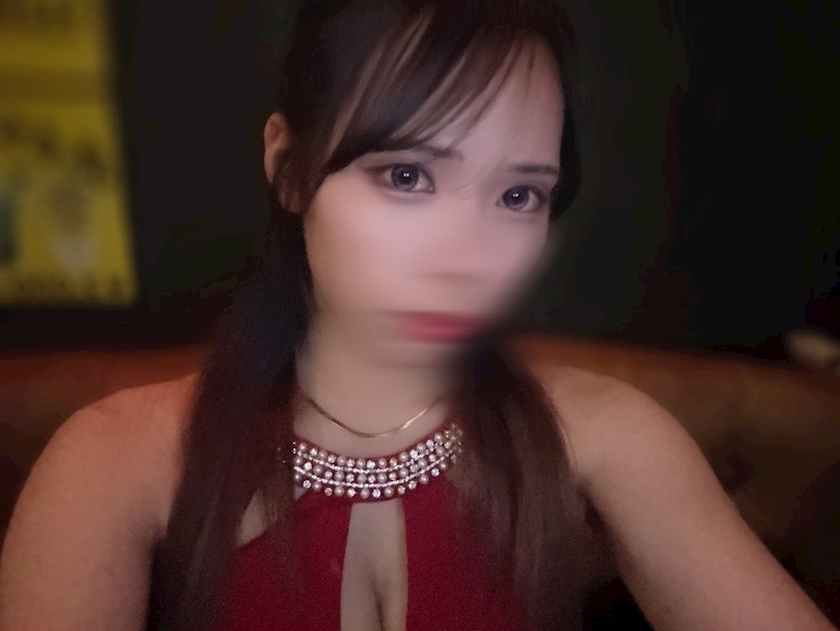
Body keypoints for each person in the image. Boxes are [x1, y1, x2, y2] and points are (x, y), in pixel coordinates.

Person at [0, 1, 837, 630]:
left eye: (519, 194)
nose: (466, 256)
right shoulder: (115, 463)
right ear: (288, 167)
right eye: (407, 177)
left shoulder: (605, 433)